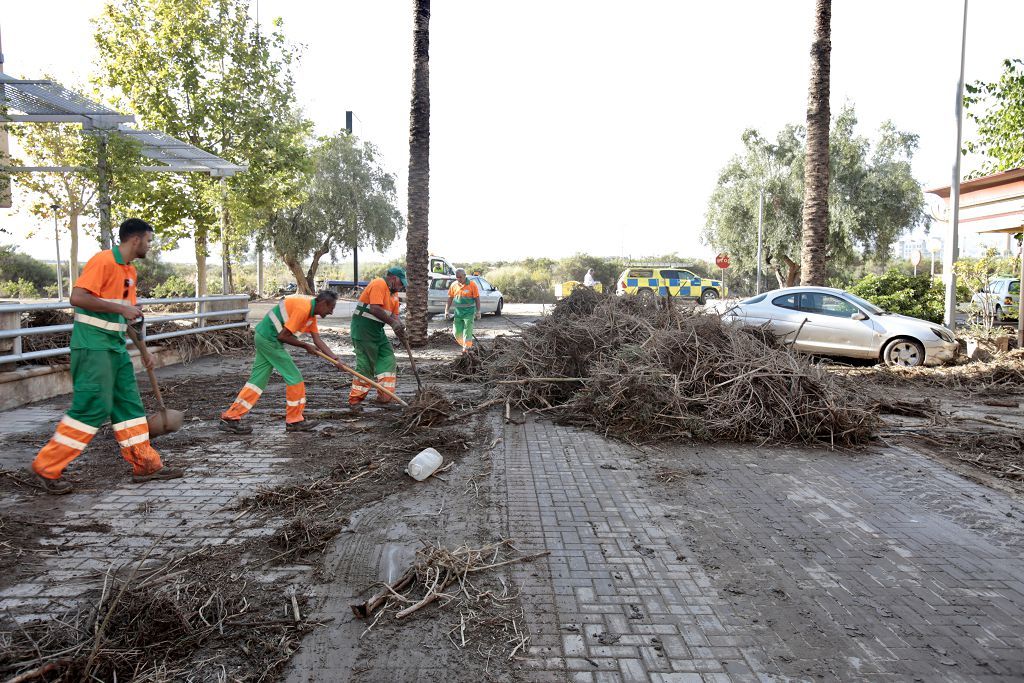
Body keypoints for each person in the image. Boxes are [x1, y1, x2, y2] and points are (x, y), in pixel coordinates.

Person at [29, 218, 183, 494]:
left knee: (129, 408)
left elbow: (129, 318)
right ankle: (47, 466)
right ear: (135, 240)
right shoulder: (103, 261)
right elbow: (77, 297)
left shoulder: (129, 272)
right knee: (92, 407)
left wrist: (144, 352)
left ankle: (146, 466)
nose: (149, 245)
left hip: (115, 348)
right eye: (148, 240)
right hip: (93, 347)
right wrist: (120, 309)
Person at [219, 290, 340, 434]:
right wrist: (305, 346)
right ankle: (295, 421)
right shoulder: (303, 309)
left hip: (264, 337)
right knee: (294, 378)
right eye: (331, 308)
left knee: (256, 382)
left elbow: (317, 340)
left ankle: (230, 417)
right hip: (270, 340)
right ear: (322, 303)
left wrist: (336, 360)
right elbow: (283, 336)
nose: (331, 312)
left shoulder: (311, 315)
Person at [349, 267, 407, 407]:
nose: (402, 286)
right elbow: (374, 308)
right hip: (363, 329)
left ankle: (385, 395)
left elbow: (394, 317)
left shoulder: (394, 295)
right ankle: (355, 400)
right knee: (366, 365)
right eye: (401, 283)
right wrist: (393, 323)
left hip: (377, 332)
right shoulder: (379, 283)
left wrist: (402, 332)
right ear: (393, 278)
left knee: (388, 358)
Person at [445, 269, 481, 353]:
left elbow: (477, 298)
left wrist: (478, 311)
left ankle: (467, 348)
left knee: (467, 331)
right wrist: (446, 310)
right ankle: (465, 345)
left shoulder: (472, 285)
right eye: (457, 277)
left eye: (460, 277)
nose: (458, 279)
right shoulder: (454, 285)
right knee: (456, 332)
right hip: (458, 313)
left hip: (469, 313)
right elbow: (450, 298)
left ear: (465, 275)